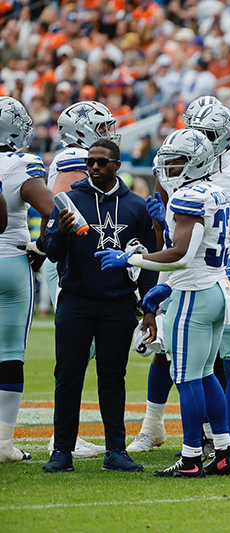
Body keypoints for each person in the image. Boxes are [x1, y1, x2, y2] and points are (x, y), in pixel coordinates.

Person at [127, 104, 230, 458]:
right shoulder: (176, 163)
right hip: (182, 273)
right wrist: (159, 230)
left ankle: (223, 438)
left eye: (206, 135)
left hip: (227, 274)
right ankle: (157, 428)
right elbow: (174, 238)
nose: (198, 142)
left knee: (225, 362)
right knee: (169, 352)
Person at [96, 129, 230, 478]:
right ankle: (223, 451)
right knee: (205, 375)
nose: (168, 166)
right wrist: (164, 224)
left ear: (195, 163)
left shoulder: (187, 196)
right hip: (217, 288)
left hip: (195, 295)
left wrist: (131, 259)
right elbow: (196, 247)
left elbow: (180, 255)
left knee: (187, 378)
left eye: (176, 161)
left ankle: (191, 458)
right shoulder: (214, 191)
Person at [41, 138, 156, 473]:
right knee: (67, 375)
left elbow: (148, 262)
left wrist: (149, 309)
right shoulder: (67, 201)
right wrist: (61, 233)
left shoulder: (135, 206)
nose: (94, 166)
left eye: (101, 162)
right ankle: (62, 450)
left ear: (117, 165)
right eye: (90, 161)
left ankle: (115, 451)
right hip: (75, 299)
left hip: (118, 303)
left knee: (112, 377)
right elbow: (52, 253)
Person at [43, 100, 121, 459]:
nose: (108, 133)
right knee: (76, 354)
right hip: (72, 264)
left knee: (84, 353)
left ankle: (67, 436)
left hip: (78, 260)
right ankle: (61, 439)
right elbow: (58, 204)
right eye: (101, 127)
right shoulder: (75, 158)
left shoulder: (75, 156)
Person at [0, 97, 55, 463]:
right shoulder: (20, 163)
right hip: (11, 262)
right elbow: (54, 212)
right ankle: (3, 444)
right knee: (9, 354)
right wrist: (40, 248)